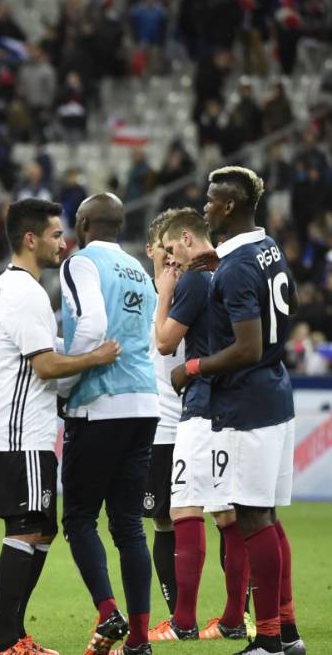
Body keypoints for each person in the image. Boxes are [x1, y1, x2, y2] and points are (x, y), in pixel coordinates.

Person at [168, 166, 305, 655]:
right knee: (265, 515)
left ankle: (267, 639)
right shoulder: (268, 250)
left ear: (227, 207)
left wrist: (194, 368)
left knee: (251, 518)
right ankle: (286, 633)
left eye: (209, 201)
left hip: (246, 403)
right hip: (275, 391)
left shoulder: (236, 267)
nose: (204, 207)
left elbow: (246, 347)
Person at [0, 199, 120, 655]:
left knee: (41, 529)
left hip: (23, 430)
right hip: (21, 434)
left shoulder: (12, 287)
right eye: (56, 234)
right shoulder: (25, 292)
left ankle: (17, 635)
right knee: (25, 528)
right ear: (30, 239)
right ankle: (6, 641)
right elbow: (44, 366)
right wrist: (94, 358)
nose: (64, 242)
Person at [57, 193, 159, 655]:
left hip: (100, 403)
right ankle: (139, 641)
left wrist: (63, 385)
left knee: (79, 519)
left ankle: (108, 613)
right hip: (144, 401)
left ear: (81, 223)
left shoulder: (81, 262)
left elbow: (93, 326)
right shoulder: (138, 268)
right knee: (129, 526)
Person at [151, 207, 248, 643]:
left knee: (184, 508)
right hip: (236, 404)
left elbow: (164, 341)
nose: (172, 260)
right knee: (230, 511)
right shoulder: (232, 271)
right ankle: (232, 618)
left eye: (172, 250)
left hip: (202, 404)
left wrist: (163, 291)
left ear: (186, 238)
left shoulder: (192, 278)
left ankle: (184, 621)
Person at [141, 211, 185, 629]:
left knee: (226, 516)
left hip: (198, 422)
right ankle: (177, 617)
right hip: (158, 429)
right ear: (151, 250)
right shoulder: (138, 296)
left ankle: (239, 616)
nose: (171, 258)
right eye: (164, 250)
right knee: (162, 519)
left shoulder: (194, 290)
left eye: (177, 249)